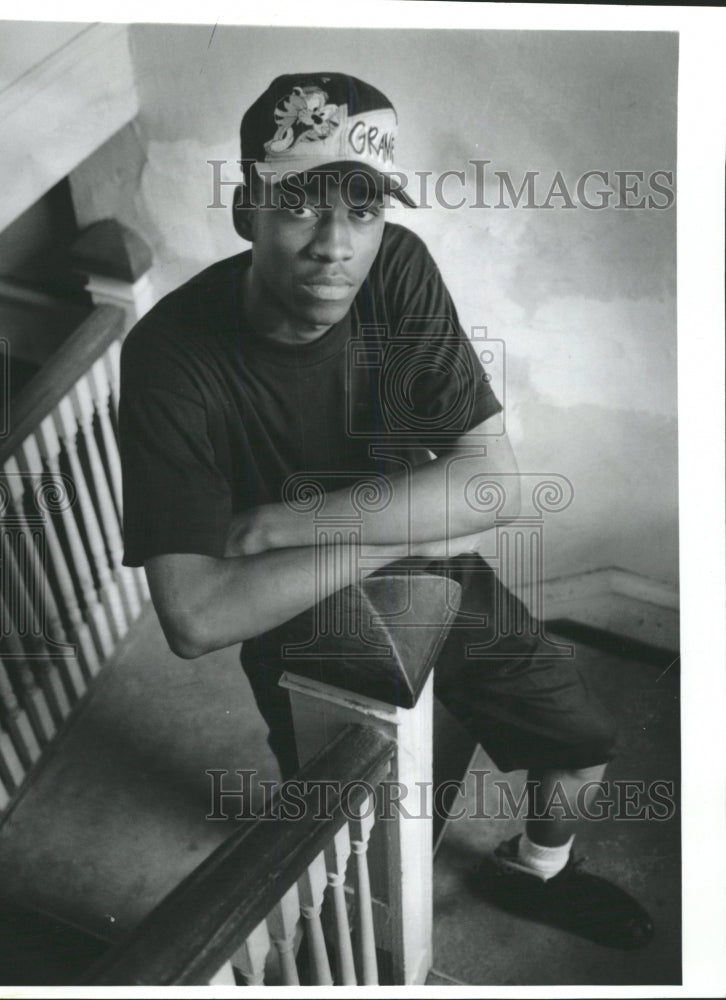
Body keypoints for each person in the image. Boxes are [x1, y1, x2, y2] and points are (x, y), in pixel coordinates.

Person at [119, 72, 653, 951]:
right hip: (300, 613)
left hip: (397, 562)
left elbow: (492, 487)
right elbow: (196, 613)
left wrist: (270, 528)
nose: (335, 244)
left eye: (362, 209)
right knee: (358, 825)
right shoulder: (170, 356)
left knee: (585, 735)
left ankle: (538, 871)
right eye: (300, 205)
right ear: (245, 209)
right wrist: (407, 526)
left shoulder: (396, 265)